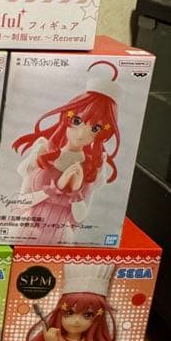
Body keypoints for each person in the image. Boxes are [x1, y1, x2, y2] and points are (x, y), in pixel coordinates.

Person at [13, 62, 120, 242]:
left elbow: (79, 218)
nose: (81, 134)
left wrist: (76, 190)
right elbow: (21, 202)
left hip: (60, 237)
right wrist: (56, 188)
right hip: (25, 230)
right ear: (67, 118)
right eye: (77, 122)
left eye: (94, 129)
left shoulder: (92, 165)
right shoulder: (44, 150)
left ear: (102, 134)